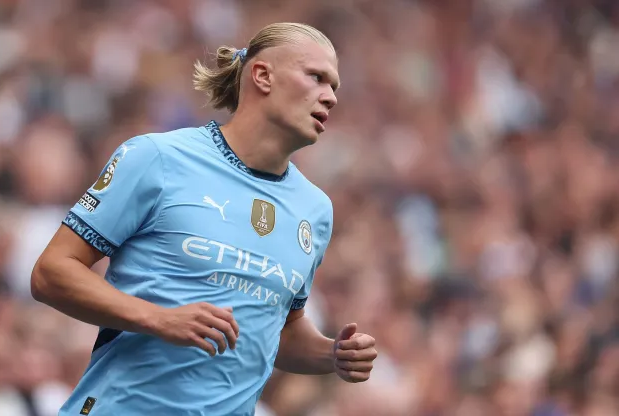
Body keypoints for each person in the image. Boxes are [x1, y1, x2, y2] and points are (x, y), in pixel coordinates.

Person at [31, 22, 378, 416]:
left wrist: (332, 354)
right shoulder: (157, 159)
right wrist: (159, 319)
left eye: (334, 86)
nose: (330, 97)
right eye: (316, 77)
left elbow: (279, 330)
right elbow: (51, 272)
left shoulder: (315, 210)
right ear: (263, 75)